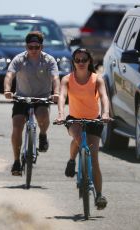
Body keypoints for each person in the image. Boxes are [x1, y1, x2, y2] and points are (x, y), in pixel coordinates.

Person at [55, 48, 111, 210]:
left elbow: (104, 97)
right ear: (73, 62)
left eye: (83, 60)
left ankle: (99, 195)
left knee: (94, 157)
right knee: (78, 139)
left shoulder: (96, 79)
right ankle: (72, 160)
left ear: (89, 62)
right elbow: (62, 96)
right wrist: (60, 114)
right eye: (77, 60)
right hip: (74, 119)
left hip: (94, 120)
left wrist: (106, 113)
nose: (80, 63)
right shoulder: (67, 79)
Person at [4, 31, 60, 176]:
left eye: (37, 47)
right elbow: (9, 75)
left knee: (42, 116)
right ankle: (16, 161)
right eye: (31, 47)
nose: (34, 50)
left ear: (42, 47)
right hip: (22, 97)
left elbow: (55, 78)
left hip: (41, 97)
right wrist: (7, 90)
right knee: (17, 127)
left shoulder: (49, 60)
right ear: (26, 46)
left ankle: (42, 135)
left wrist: (56, 93)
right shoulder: (19, 59)